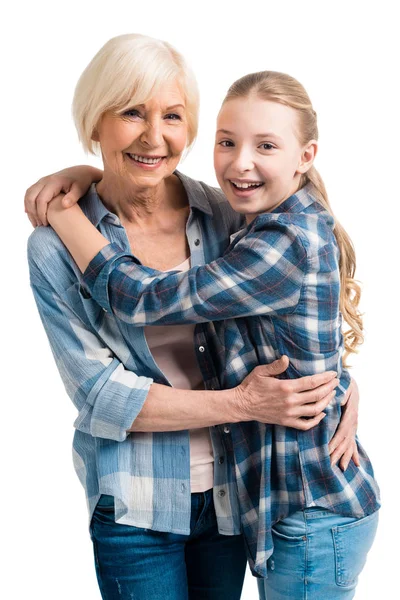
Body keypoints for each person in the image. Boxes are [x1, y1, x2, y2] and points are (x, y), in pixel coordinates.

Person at [26, 34, 365, 600]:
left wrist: (341, 385)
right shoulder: (55, 248)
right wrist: (242, 403)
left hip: (236, 498)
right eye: (131, 111)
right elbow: (100, 397)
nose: (154, 136)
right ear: (95, 121)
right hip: (138, 507)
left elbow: (292, 316)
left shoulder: (223, 211)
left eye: (173, 116)